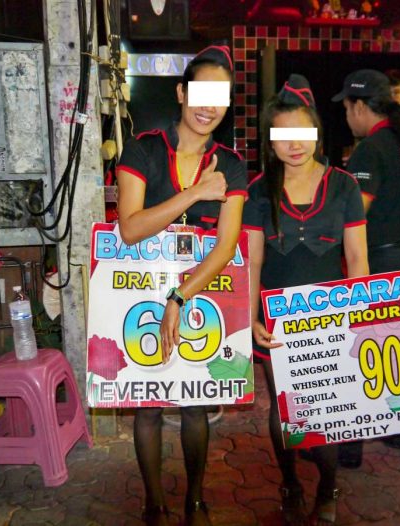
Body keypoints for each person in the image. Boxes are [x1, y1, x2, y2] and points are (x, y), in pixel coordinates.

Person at [116, 45, 247, 526]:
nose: (209, 105)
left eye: (221, 96)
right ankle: (153, 502)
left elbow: (226, 247)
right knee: (147, 406)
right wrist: (194, 193)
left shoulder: (231, 165)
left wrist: (179, 296)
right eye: (202, 92)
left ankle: (195, 498)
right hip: (136, 290)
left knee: (195, 403)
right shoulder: (144, 148)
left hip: (198, 296)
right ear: (181, 92)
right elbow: (129, 228)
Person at [244, 74, 369, 526]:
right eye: (283, 135)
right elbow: (253, 261)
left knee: (326, 412)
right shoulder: (258, 191)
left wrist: (360, 316)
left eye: (303, 133)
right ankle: (289, 482)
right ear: (271, 141)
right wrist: (251, 313)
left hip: (329, 318)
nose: (294, 145)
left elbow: (357, 258)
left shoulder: (344, 187)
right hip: (276, 321)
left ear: (316, 133)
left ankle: (328, 484)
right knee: (283, 411)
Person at [332, 69, 400, 467]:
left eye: (346, 108)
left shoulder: (370, 149)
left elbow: (357, 212)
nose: (345, 117)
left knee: (365, 351)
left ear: (360, 106)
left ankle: (351, 448)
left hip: (384, 262)